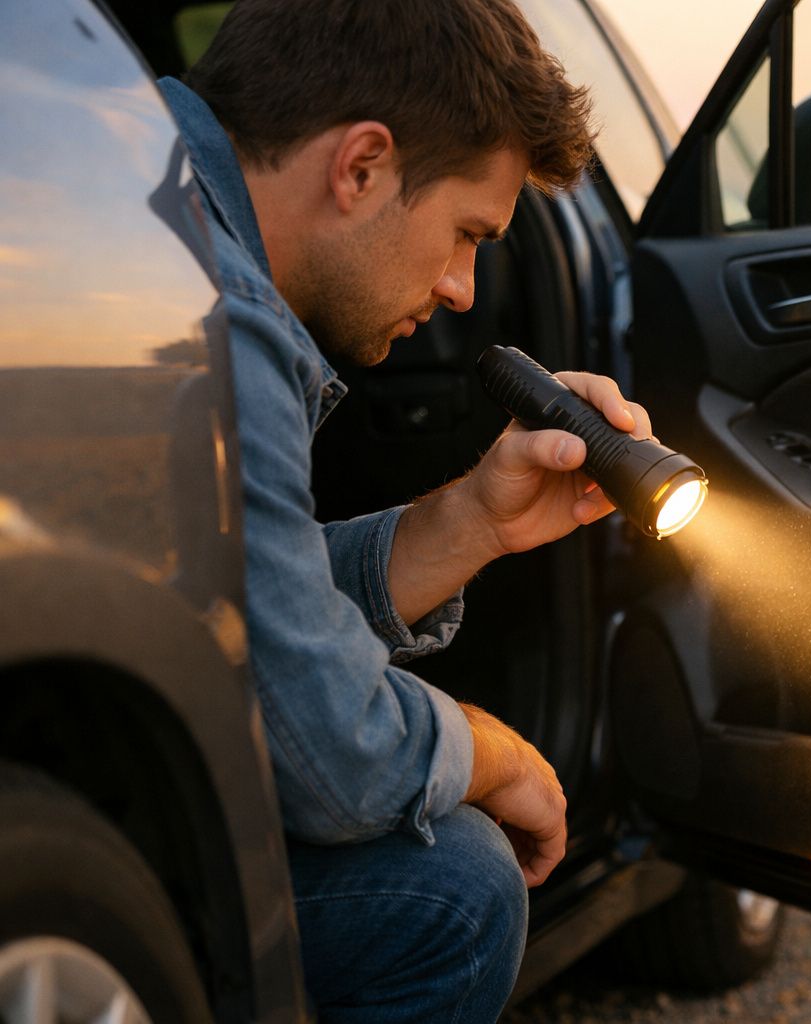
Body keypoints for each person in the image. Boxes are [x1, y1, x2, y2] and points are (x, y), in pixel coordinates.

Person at [158, 1, 636, 1019]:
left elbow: (216, 602)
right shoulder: (213, 312)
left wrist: (472, 523)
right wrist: (494, 752)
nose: (464, 290)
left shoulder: (139, 201)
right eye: (467, 234)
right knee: (453, 888)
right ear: (362, 165)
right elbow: (331, 757)